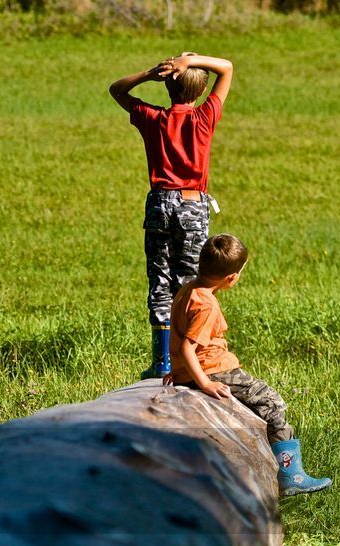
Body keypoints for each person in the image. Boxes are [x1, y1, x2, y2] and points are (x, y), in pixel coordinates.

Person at [165, 233, 331, 497]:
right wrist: (205, 382)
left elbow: (176, 336)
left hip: (193, 368)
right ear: (232, 277)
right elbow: (188, 346)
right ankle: (291, 475)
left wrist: (176, 370)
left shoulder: (188, 289)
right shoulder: (206, 305)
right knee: (272, 402)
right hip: (215, 368)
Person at [109, 52, 234, 379]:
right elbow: (227, 68)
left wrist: (150, 74)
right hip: (193, 204)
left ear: (168, 86)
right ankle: (189, 359)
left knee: (160, 277)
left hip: (160, 204)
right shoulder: (204, 117)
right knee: (191, 278)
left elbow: (116, 90)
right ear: (199, 91)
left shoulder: (153, 118)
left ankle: (163, 360)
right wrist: (192, 60)